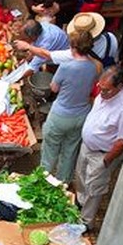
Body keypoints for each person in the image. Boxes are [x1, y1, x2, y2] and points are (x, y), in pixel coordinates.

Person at [40, 29, 99, 183]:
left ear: (73, 47)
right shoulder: (94, 67)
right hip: (81, 115)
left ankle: (43, 180)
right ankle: (63, 183)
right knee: (70, 151)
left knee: (50, 149)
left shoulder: (66, 66)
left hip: (61, 115)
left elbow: (54, 88)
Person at [75, 66, 123, 228]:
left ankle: (86, 222)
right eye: (100, 87)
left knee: (94, 187)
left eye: (106, 90)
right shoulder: (104, 92)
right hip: (87, 146)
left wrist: (106, 160)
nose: (101, 92)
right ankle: (80, 204)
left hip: (102, 154)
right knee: (81, 177)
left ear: (119, 87)